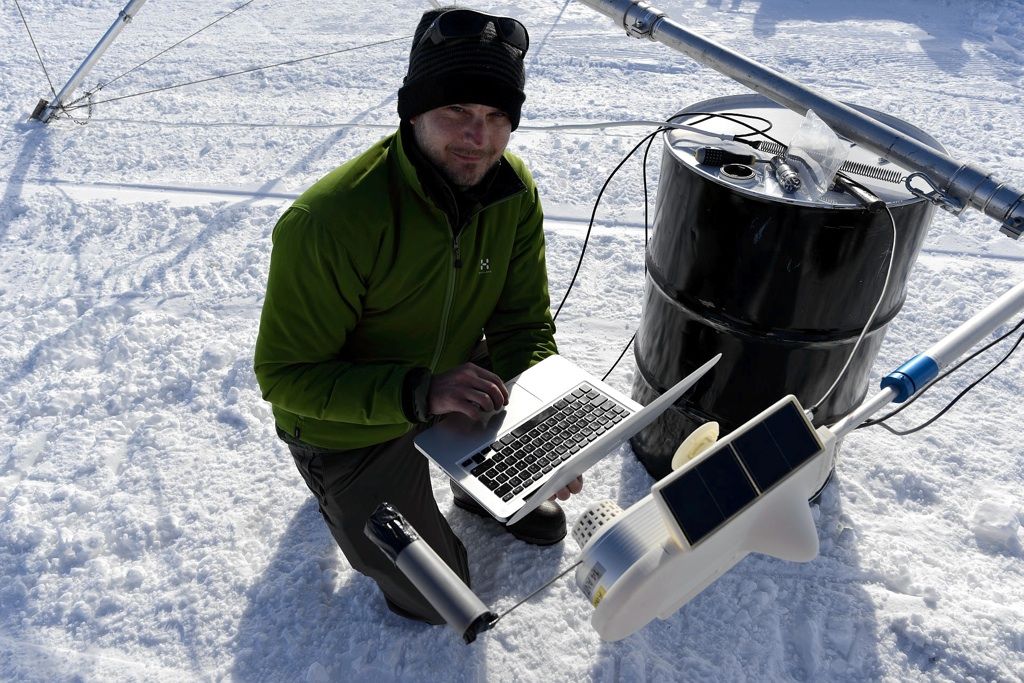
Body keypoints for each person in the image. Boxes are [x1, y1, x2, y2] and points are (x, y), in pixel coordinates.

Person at [254, 7, 583, 625]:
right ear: (413, 111)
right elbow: (286, 377)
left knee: (514, 435)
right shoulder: (329, 222)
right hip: (344, 427)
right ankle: (340, 493)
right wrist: (421, 394)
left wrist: (547, 436)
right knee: (441, 599)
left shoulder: (512, 188)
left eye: (495, 118)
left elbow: (522, 328)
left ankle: (482, 480)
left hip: (453, 376)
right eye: (456, 111)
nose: (477, 137)